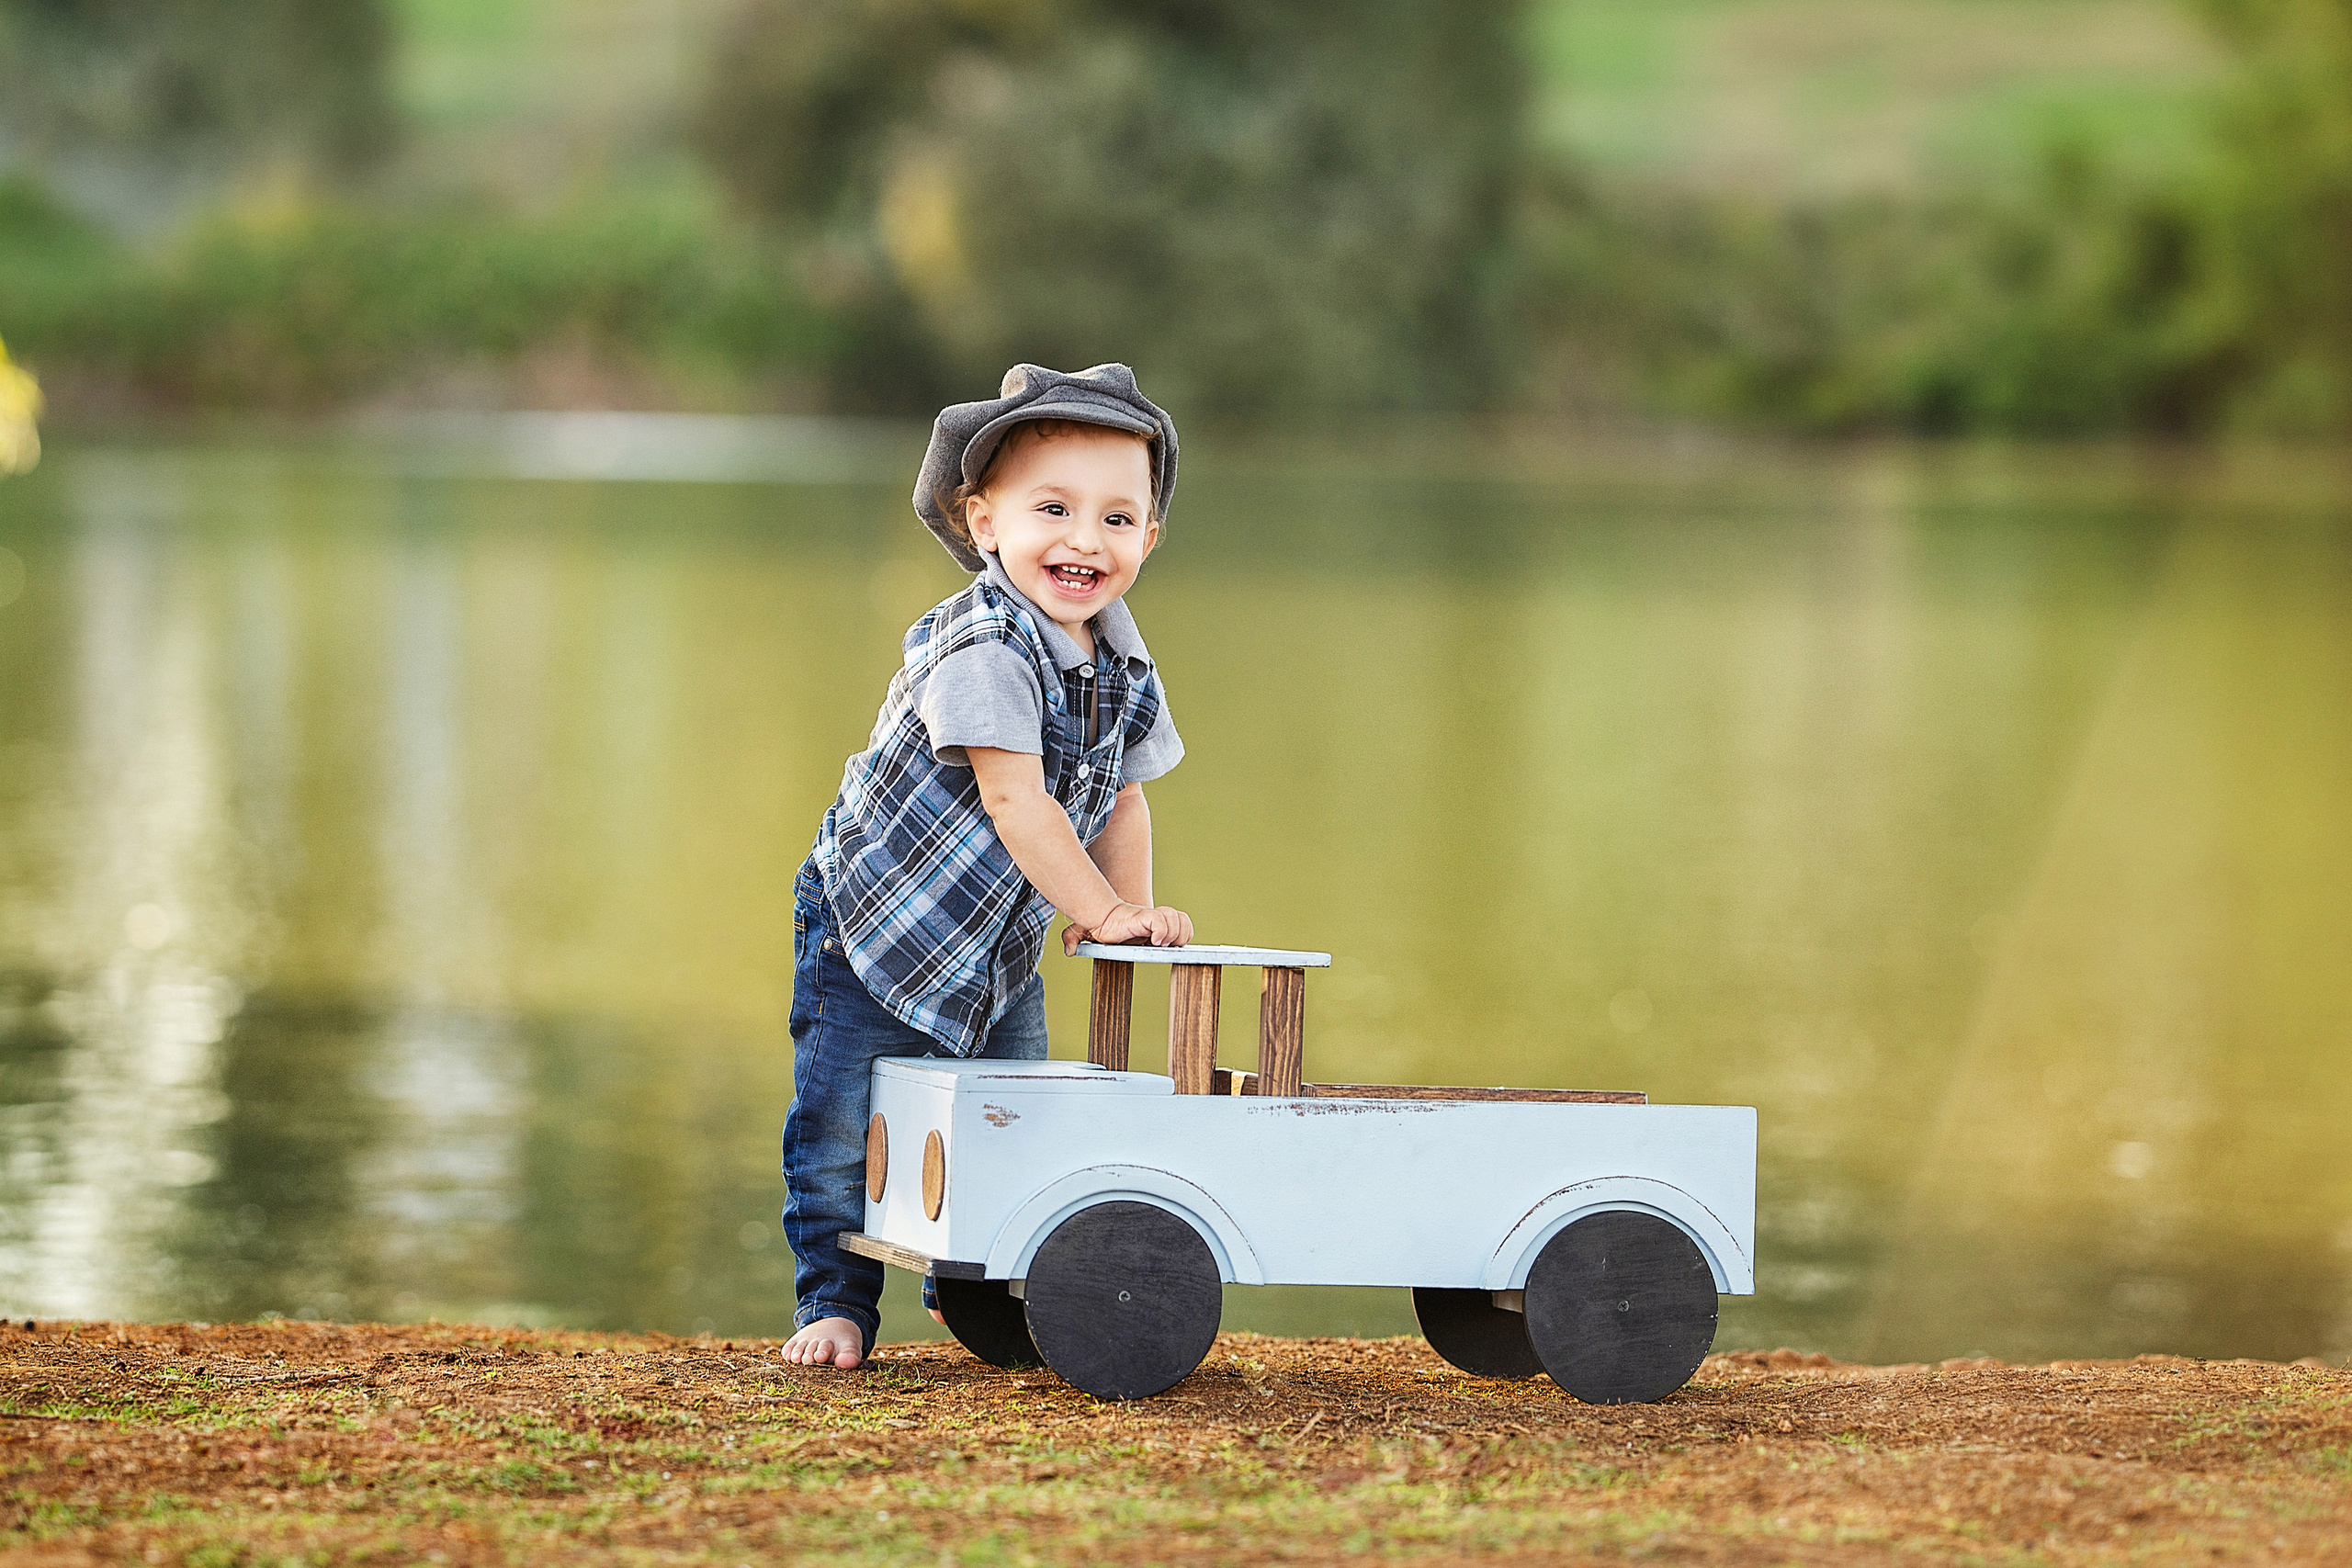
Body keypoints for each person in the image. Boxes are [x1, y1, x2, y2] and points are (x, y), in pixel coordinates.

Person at [779, 364, 1195, 1369]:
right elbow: (1018, 799)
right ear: (982, 520)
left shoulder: (1123, 665)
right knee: (844, 1122)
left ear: (1148, 537)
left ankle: (981, 1286)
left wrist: (1126, 913)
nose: (1083, 541)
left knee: (1010, 1113)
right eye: (1051, 508)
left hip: (991, 946)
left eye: (1114, 517)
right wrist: (1092, 910)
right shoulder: (982, 647)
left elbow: (1122, 797)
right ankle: (833, 1303)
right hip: (877, 924)